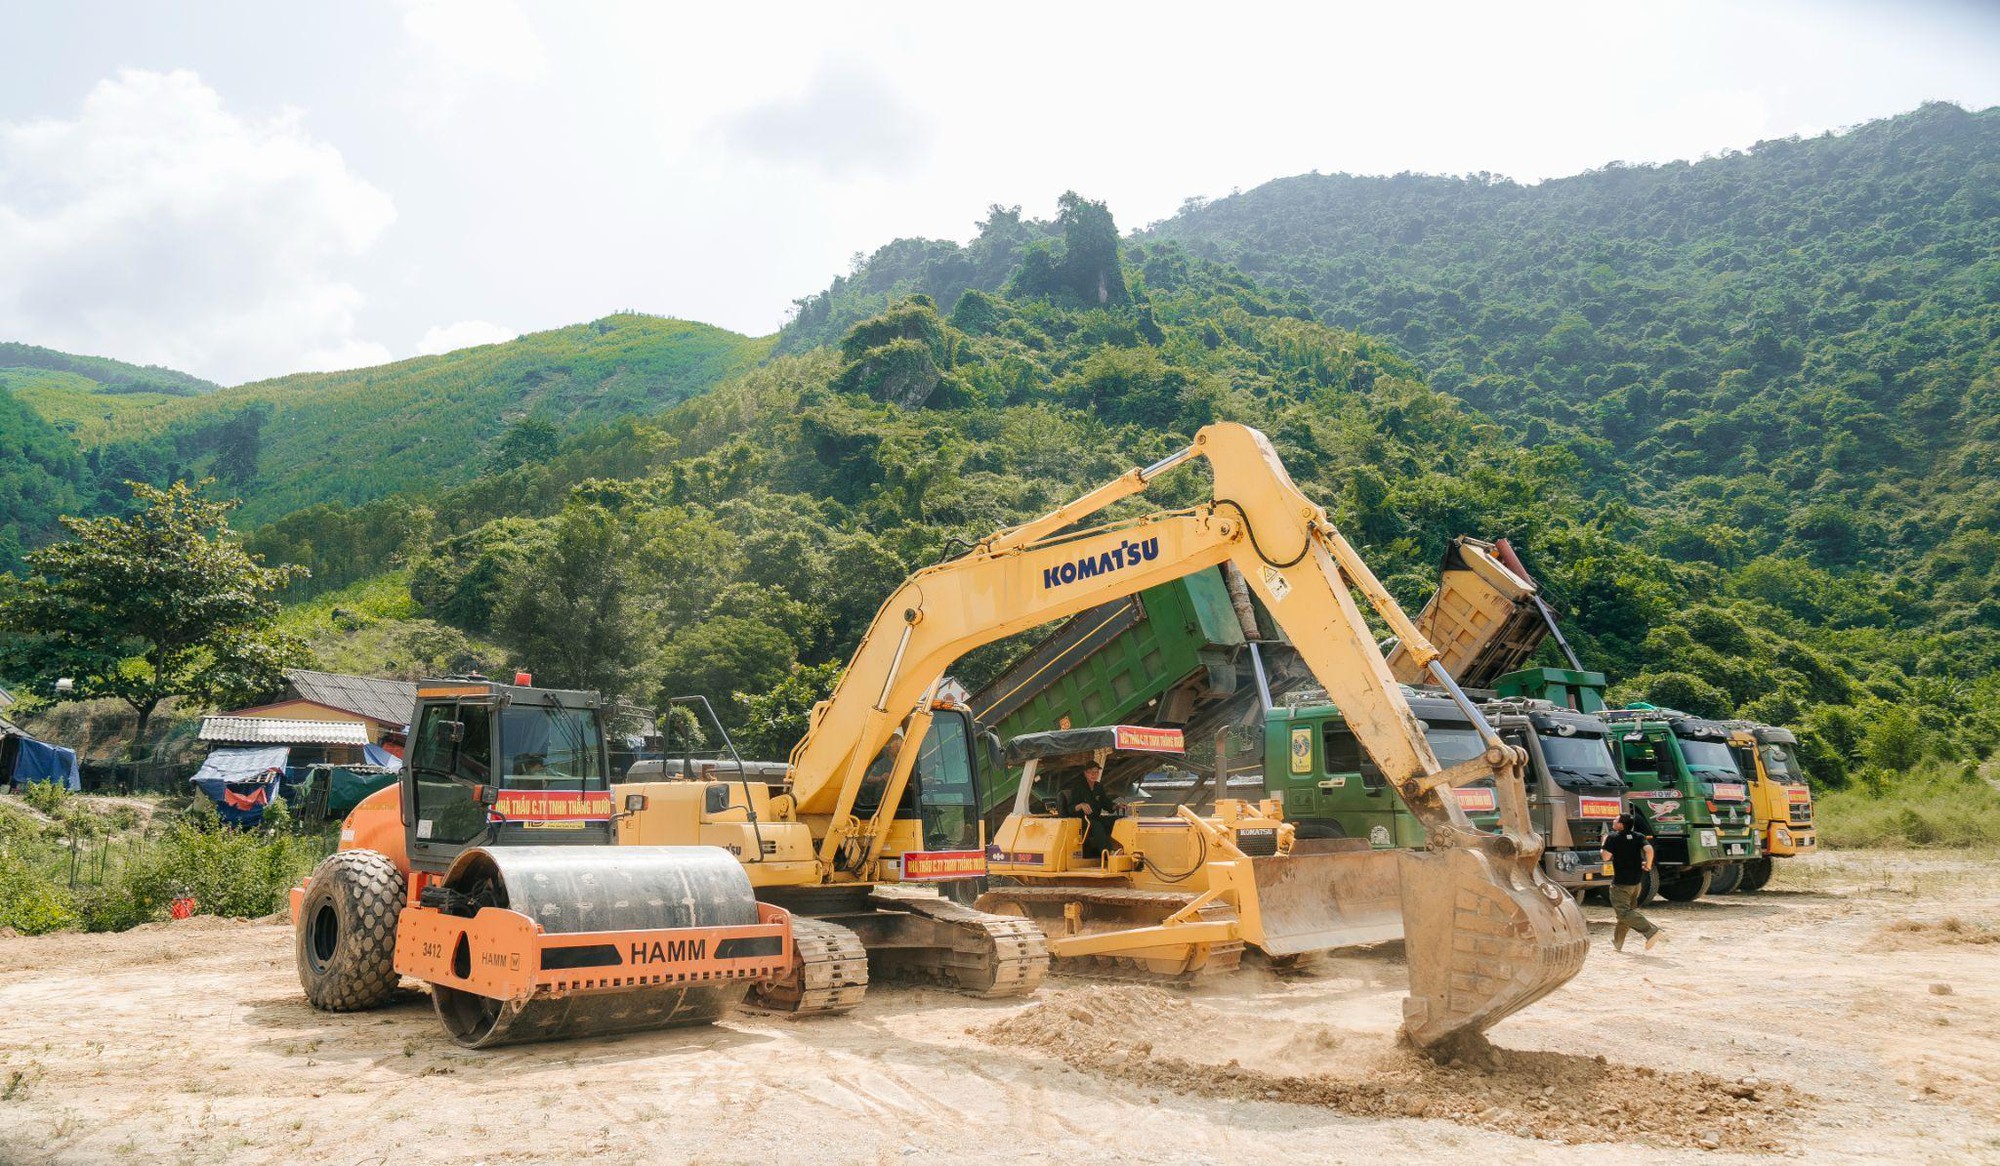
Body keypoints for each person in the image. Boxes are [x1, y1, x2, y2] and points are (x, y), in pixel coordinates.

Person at [1600, 813, 1665, 952]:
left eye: (1616, 819)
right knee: (1627, 913)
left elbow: (1605, 857)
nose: (1613, 821)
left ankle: (1651, 931)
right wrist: (1648, 865)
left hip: (1621, 884)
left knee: (1624, 913)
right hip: (1636, 883)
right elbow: (1649, 849)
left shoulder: (1612, 838)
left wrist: (1603, 843)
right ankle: (1618, 943)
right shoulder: (1639, 836)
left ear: (1621, 825)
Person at [1062, 762, 1120, 859]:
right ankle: (1108, 852)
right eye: (1091, 772)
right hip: (1081, 819)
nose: (1094, 775)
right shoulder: (1078, 786)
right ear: (1085, 773)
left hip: (1095, 817)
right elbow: (1071, 808)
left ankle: (1120, 848)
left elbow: (1106, 804)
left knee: (1117, 820)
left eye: (1096, 772)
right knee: (1095, 825)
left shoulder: (1099, 787)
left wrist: (1116, 806)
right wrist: (1081, 805)